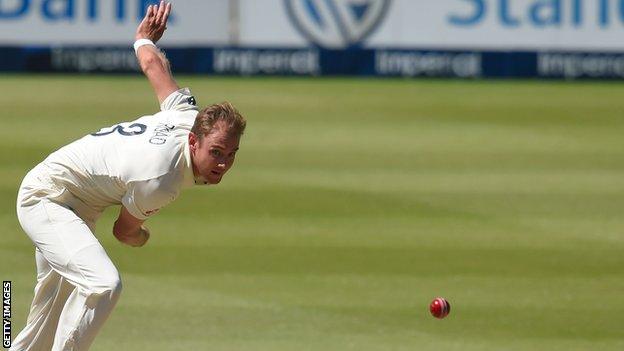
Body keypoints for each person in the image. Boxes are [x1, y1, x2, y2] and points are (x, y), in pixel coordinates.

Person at [10, 2, 246, 350]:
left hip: (72, 203)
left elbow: (153, 65)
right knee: (103, 284)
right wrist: (143, 237)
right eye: (216, 152)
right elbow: (124, 231)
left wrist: (143, 40)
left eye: (230, 155)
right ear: (194, 140)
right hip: (47, 199)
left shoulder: (186, 113)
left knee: (45, 323)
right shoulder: (162, 178)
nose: (223, 164)